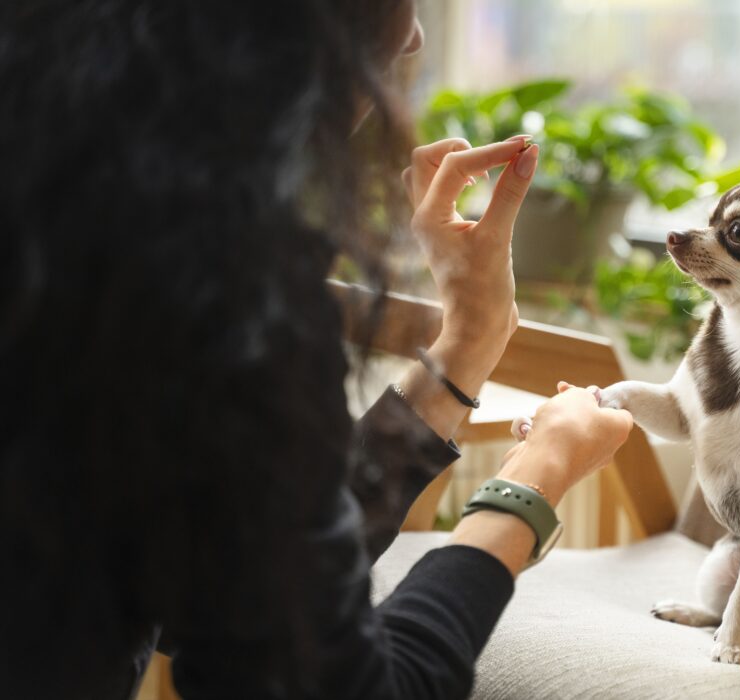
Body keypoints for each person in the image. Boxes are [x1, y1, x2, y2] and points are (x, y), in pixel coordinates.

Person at [0, 1, 634, 698]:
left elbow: (248, 582)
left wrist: (465, 349)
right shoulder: (208, 286)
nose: (415, 34)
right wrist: (533, 479)